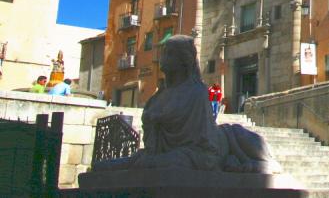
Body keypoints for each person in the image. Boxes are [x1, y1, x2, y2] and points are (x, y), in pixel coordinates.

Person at [92, 35, 279, 173]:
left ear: (184, 61)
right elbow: (151, 147)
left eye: (170, 53)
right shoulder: (158, 97)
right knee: (116, 164)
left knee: (154, 162)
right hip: (169, 154)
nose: (164, 57)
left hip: (205, 150)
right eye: (165, 52)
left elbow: (205, 152)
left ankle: (263, 163)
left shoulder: (197, 93)